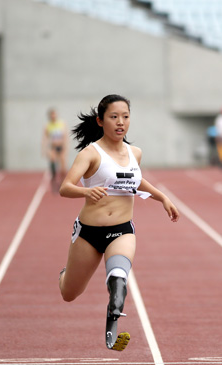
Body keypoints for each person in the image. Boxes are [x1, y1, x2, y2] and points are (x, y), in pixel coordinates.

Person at [58, 94, 180, 351]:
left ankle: (113, 318)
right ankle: (65, 275)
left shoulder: (135, 153)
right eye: (114, 117)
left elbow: (135, 181)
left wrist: (162, 197)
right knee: (69, 294)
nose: (120, 122)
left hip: (122, 230)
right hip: (89, 233)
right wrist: (85, 191)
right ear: (100, 121)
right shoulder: (90, 153)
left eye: (125, 116)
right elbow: (65, 187)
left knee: (118, 277)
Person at [42, 108, 69, 192]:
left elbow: (65, 136)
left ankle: (62, 183)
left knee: (63, 169)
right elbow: (45, 138)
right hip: (53, 147)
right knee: (53, 163)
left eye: (54, 114)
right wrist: (45, 149)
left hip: (61, 147)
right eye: (52, 115)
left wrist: (66, 147)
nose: (53, 116)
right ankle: (54, 180)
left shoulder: (61, 123)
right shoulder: (48, 125)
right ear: (50, 116)